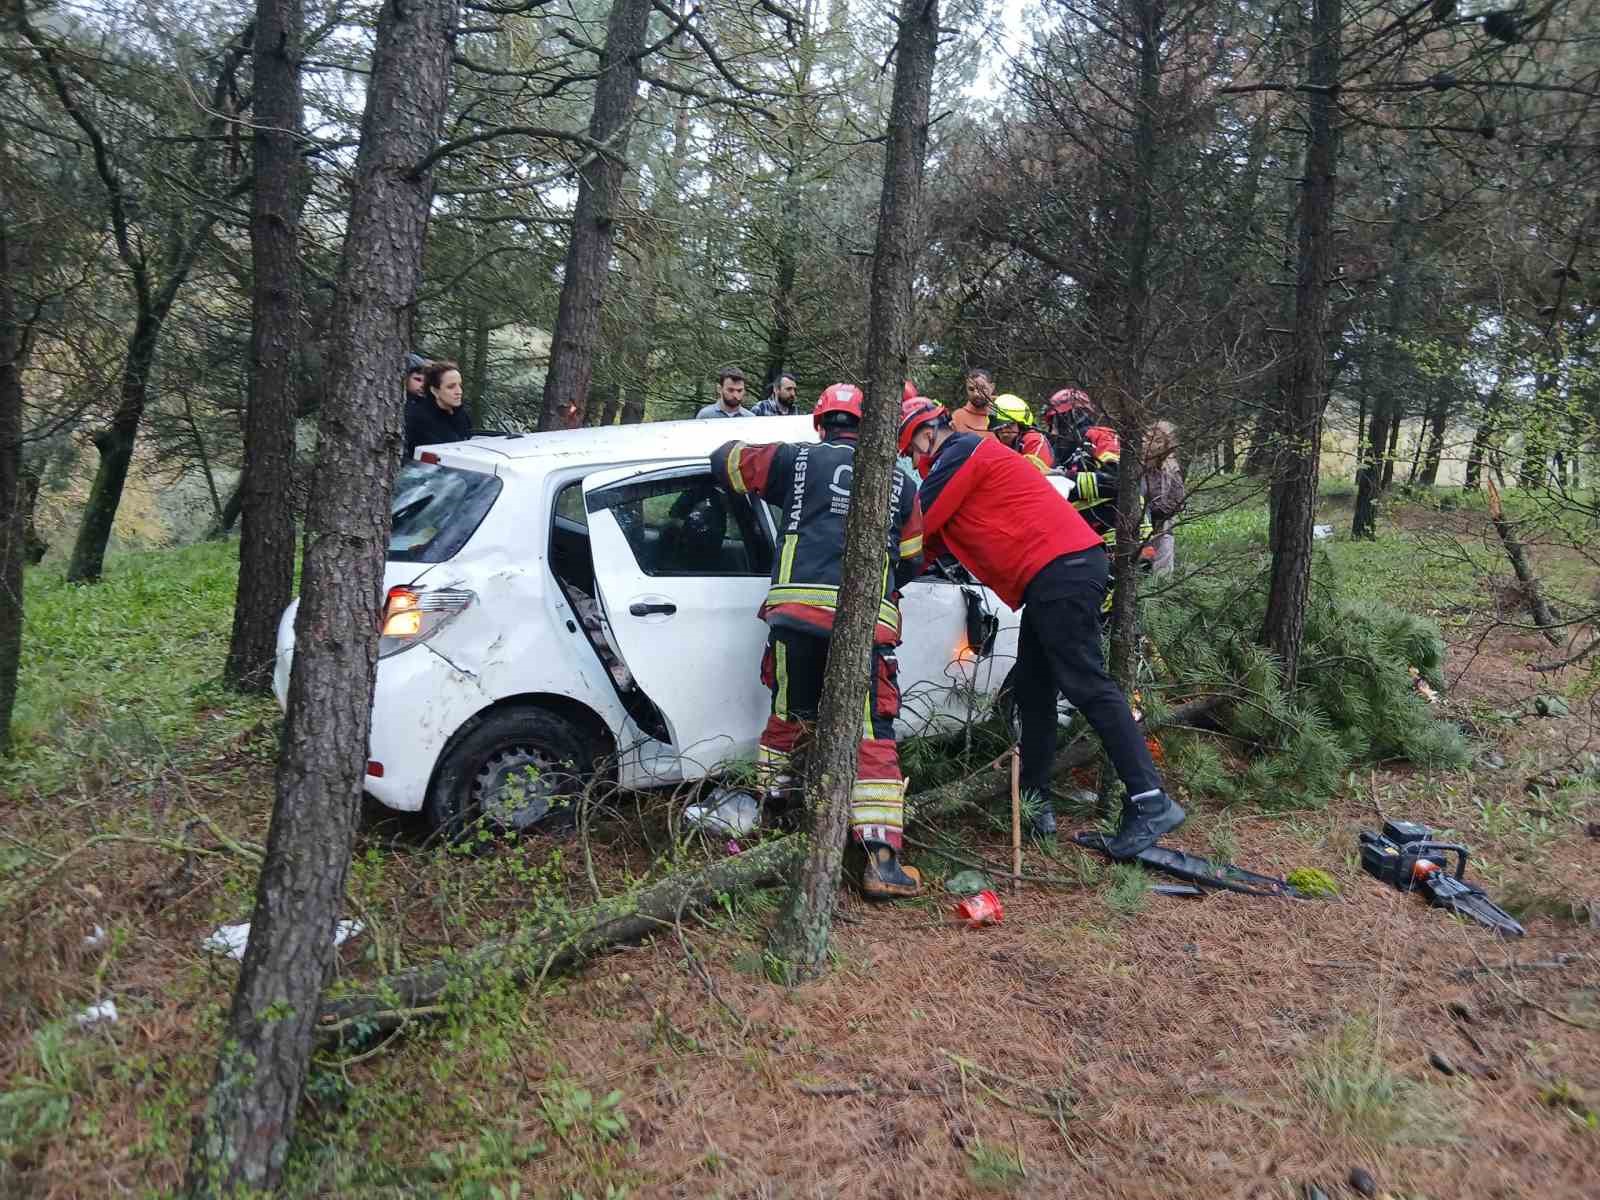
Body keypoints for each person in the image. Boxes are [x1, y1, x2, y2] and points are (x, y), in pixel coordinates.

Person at [897, 397, 1184, 857]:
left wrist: (879, 578)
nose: (914, 462)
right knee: (1034, 693)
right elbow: (928, 546)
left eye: (911, 451)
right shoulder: (966, 458)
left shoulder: (962, 452)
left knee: (1086, 683)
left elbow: (918, 526)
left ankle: (1150, 800)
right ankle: (1035, 806)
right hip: (1056, 574)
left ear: (927, 434)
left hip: (1061, 571)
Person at [710, 384, 926, 898]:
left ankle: (772, 822)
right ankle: (881, 861)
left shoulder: (792, 461)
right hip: (862, 630)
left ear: (819, 422)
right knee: (872, 733)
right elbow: (914, 559)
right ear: (871, 426)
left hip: (795, 620)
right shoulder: (900, 482)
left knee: (788, 717)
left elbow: (724, 462)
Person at [402, 359, 472, 462]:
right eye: (451, 387)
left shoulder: (461, 415)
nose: (459, 391)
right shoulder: (417, 419)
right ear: (434, 390)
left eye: (460, 385)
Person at [1143, 420, 1184, 576]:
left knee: (1163, 571)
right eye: (1149, 439)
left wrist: (1161, 511)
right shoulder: (1135, 466)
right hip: (1138, 527)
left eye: (1159, 440)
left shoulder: (1171, 468)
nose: (1153, 444)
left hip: (1163, 526)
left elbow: (1178, 498)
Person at [988, 393, 1055, 472]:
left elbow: (1031, 472)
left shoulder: (1034, 440)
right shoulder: (997, 443)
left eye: (1009, 426)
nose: (1004, 432)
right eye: (999, 427)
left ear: (1021, 425)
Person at [949, 367, 997, 437]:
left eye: (981, 389)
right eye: (971, 389)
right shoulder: (957, 417)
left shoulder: (1003, 413)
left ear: (992, 387)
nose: (976, 394)